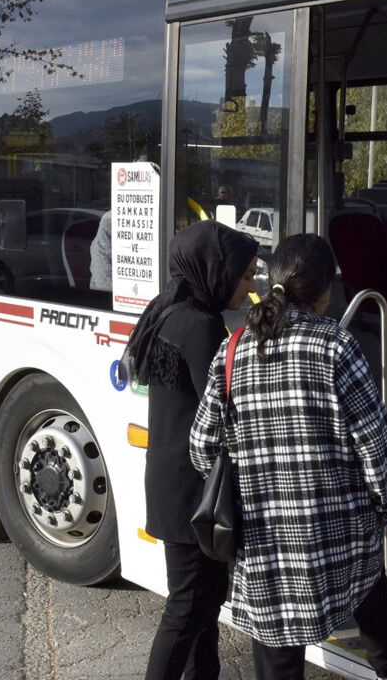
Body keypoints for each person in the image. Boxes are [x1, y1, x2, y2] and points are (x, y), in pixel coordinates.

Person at [190, 233, 387, 680]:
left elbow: (202, 448)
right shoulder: (336, 346)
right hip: (338, 532)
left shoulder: (232, 349)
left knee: (278, 648)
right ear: (325, 290)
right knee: (371, 595)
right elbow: (375, 446)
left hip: (264, 542)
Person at [126, 220, 258, 680]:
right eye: (245, 276)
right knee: (187, 608)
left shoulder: (167, 311)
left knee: (201, 605)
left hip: (172, 481)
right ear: (214, 270)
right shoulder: (201, 326)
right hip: (192, 489)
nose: (251, 285)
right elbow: (226, 408)